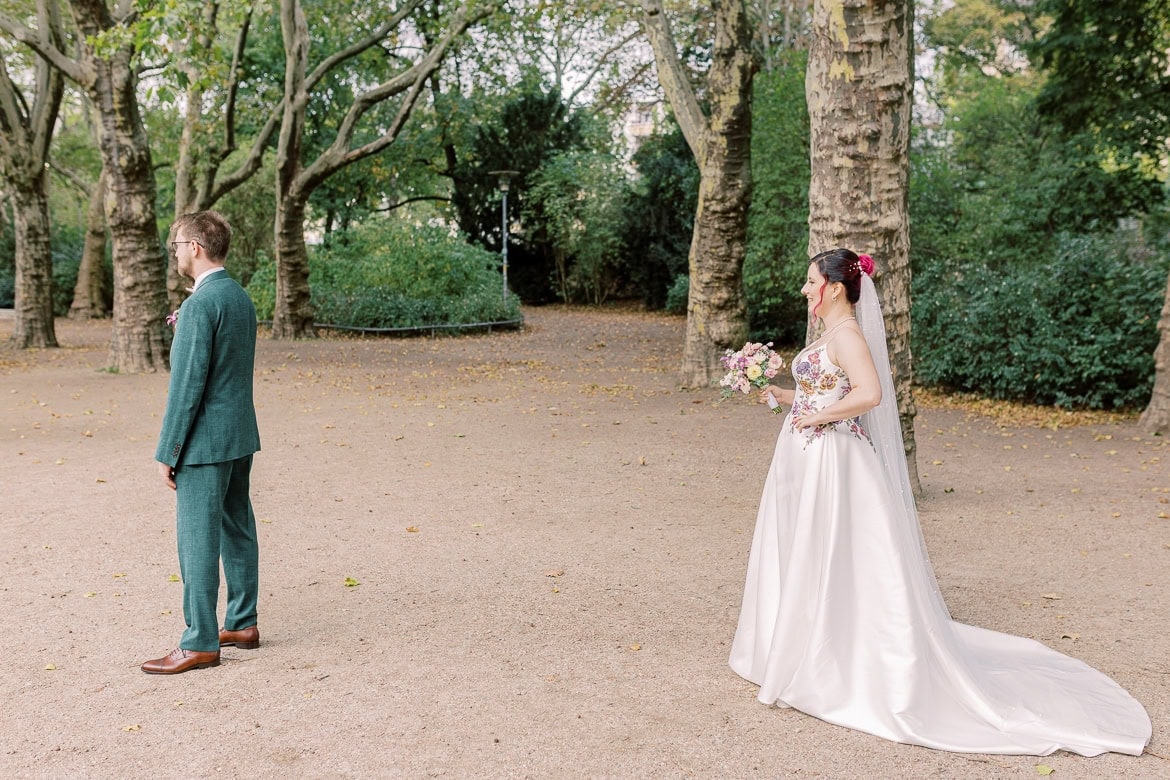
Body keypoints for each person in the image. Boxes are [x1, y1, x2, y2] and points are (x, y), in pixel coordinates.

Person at [728, 247, 1152, 756]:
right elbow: (819, 392)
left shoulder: (848, 336)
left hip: (835, 461)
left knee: (842, 553)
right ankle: (803, 642)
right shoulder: (827, 335)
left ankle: (844, 659)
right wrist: (774, 393)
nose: (804, 287)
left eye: (810, 279)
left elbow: (870, 394)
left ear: (835, 287)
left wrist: (817, 418)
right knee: (809, 550)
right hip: (807, 457)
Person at [142, 210, 263, 674]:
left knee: (197, 541)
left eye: (175, 246)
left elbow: (187, 385)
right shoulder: (239, 297)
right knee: (237, 527)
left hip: (204, 442)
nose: (173, 253)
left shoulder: (199, 306)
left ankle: (199, 642)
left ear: (195, 246)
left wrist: (167, 452)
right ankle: (242, 622)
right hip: (238, 434)